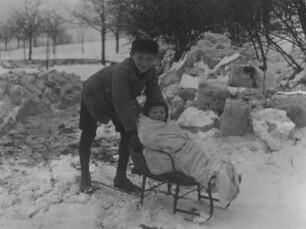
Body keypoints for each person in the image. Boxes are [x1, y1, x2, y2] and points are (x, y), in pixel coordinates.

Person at [78, 39, 165, 193]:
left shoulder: (151, 72)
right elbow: (122, 102)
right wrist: (133, 129)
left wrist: (161, 117)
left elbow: (154, 95)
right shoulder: (121, 71)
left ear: (154, 59)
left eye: (149, 59)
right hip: (94, 95)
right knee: (89, 133)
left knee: (128, 134)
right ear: (132, 55)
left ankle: (120, 178)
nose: (144, 63)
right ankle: (84, 176)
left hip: (116, 97)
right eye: (140, 58)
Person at [138, 101, 240, 208]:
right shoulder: (147, 128)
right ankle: (212, 178)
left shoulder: (167, 124)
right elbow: (152, 140)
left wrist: (184, 142)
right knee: (193, 164)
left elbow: (178, 134)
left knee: (202, 158)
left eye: (161, 112)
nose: (158, 115)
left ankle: (218, 173)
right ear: (148, 114)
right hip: (173, 154)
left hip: (186, 148)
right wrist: (177, 144)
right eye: (154, 112)